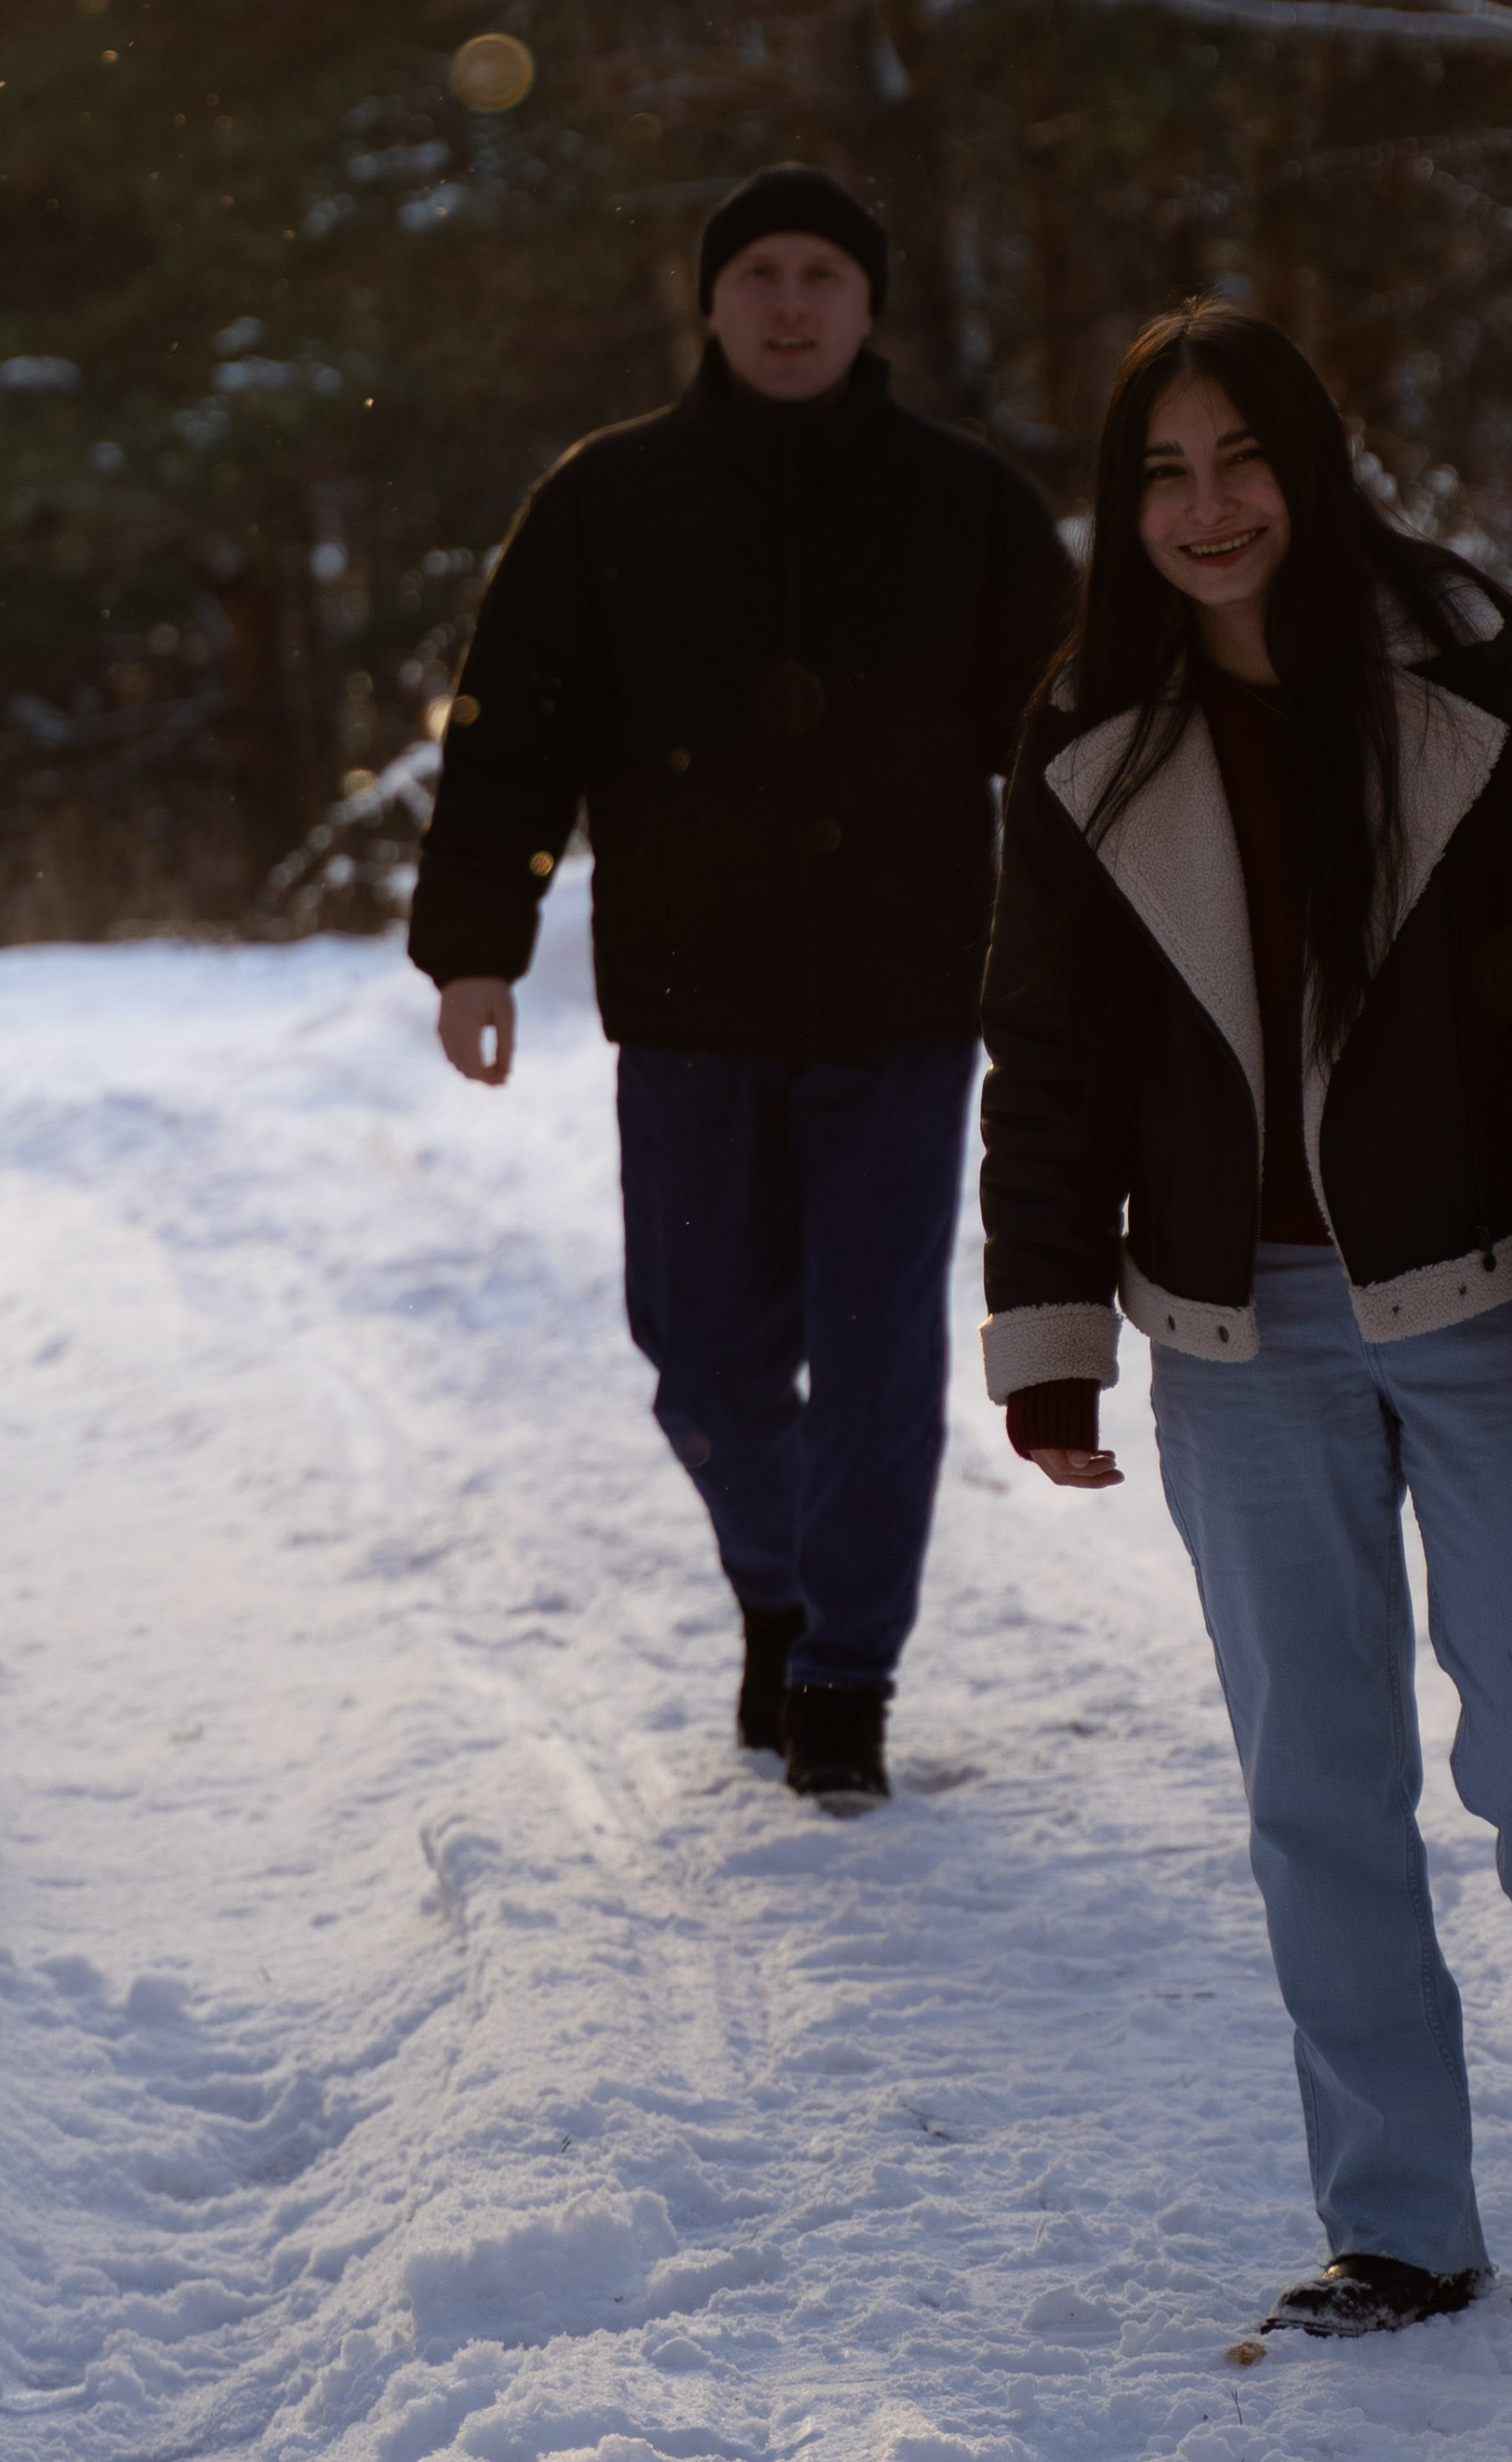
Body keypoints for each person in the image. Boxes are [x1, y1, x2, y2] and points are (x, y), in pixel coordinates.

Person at [977, 303, 1512, 2337]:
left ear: (1313, 468)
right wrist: (1048, 1326)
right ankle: (1398, 2216)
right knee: (1317, 1783)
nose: (1207, 508)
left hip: (1501, 1313)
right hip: (1241, 1346)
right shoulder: (1087, 735)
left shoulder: (1474, 671)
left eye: (1242, 461)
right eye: (1162, 471)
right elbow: (1045, 1059)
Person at [409, 166, 1069, 1805]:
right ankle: (782, 1592)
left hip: (906, 1008)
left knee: (873, 1352)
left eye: (823, 277)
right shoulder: (606, 499)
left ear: (870, 308)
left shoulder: (964, 505)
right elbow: (514, 730)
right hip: (689, 1012)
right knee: (699, 1355)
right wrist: (478, 941)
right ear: (707, 301)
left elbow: (1073, 749)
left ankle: (846, 1670)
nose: (790, 305)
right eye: (760, 274)